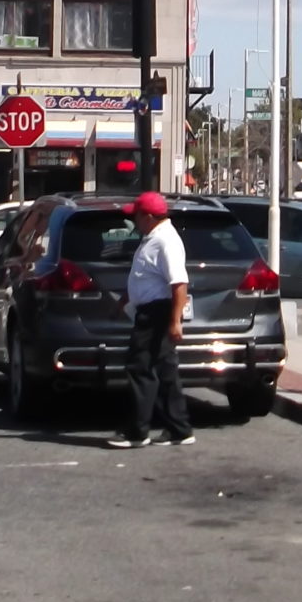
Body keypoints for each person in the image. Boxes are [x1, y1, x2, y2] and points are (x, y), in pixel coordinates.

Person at [111, 191, 195, 448]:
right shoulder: (152, 238)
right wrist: (125, 300)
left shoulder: (165, 241)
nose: (133, 220)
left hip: (156, 312)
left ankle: (137, 432)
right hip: (148, 309)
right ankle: (179, 429)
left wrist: (175, 321)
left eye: (136, 215)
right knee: (165, 370)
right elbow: (145, 275)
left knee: (140, 368)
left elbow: (179, 283)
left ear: (148, 216)